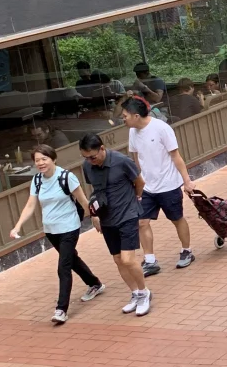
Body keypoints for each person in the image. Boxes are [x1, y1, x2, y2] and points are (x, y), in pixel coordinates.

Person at [10, 146, 103, 325]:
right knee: (71, 259)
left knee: (63, 267)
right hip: (51, 230)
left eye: (44, 159)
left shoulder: (66, 177)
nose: (40, 163)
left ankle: (61, 310)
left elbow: (83, 200)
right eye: (37, 160)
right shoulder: (37, 180)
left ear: (53, 159)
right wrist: (17, 226)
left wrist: (94, 217)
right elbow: (30, 205)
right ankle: (95, 284)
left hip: (69, 227)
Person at [121, 97, 196, 275]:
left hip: (168, 185)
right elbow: (136, 158)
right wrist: (137, 181)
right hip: (147, 187)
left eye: (125, 116)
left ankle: (187, 251)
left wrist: (187, 181)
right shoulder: (133, 132)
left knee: (177, 218)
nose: (123, 119)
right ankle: (150, 260)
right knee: (142, 222)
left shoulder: (162, 128)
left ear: (136, 115)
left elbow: (176, 156)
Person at [79, 131, 151, 315]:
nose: (90, 161)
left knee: (128, 259)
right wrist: (94, 215)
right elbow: (95, 190)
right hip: (107, 218)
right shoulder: (87, 167)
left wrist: (135, 199)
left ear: (102, 149)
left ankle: (144, 292)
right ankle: (134, 293)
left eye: (92, 157)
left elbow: (139, 182)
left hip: (127, 214)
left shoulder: (122, 161)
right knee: (118, 259)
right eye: (86, 157)